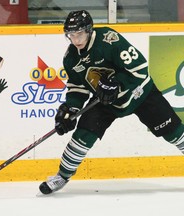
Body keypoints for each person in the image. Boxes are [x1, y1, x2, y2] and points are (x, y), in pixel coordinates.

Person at [39, 10, 184, 195]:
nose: (76, 40)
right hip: (105, 101)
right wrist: (70, 108)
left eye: (80, 34)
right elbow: (77, 87)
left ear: (89, 30)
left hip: (140, 93)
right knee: (82, 136)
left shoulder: (109, 39)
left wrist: (118, 84)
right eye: (71, 35)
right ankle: (62, 176)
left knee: (174, 133)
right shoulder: (71, 58)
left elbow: (140, 68)